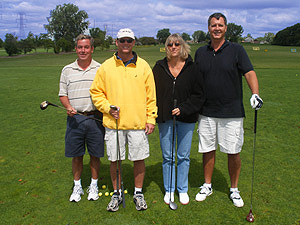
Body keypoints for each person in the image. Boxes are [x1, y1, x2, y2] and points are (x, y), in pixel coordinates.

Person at [194, 12, 263, 207]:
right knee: (208, 150)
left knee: (233, 151)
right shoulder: (201, 52)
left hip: (231, 111)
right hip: (206, 111)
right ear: (208, 28)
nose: (217, 28)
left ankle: (234, 189)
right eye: (213, 25)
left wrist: (255, 93)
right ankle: (207, 185)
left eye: (220, 25)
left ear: (226, 28)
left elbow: (249, 72)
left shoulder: (237, 50)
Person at [90, 28, 157, 212]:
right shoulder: (106, 67)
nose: (125, 44)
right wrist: (107, 108)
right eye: (122, 40)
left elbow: (151, 97)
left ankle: (138, 193)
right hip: (114, 124)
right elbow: (96, 92)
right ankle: (117, 193)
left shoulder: (143, 66)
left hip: (137, 123)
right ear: (116, 42)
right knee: (115, 160)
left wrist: (151, 118)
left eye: (129, 40)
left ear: (133, 42)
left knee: (139, 159)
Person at [152, 34, 205, 205]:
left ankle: (182, 189)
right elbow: (152, 92)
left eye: (176, 44)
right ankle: (169, 189)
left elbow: (199, 95)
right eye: (169, 44)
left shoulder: (192, 67)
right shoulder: (159, 67)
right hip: (165, 118)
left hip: (186, 118)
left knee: (183, 156)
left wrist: (183, 108)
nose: (173, 47)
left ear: (182, 46)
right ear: (166, 47)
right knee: (168, 156)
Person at [58, 34, 105, 202]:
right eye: (80, 47)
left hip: (95, 118)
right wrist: (68, 107)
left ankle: (94, 185)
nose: (83, 50)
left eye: (86, 47)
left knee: (95, 154)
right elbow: (63, 94)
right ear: (76, 48)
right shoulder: (67, 70)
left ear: (92, 49)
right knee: (76, 155)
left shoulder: (100, 68)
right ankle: (77, 186)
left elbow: (106, 93)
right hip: (75, 119)